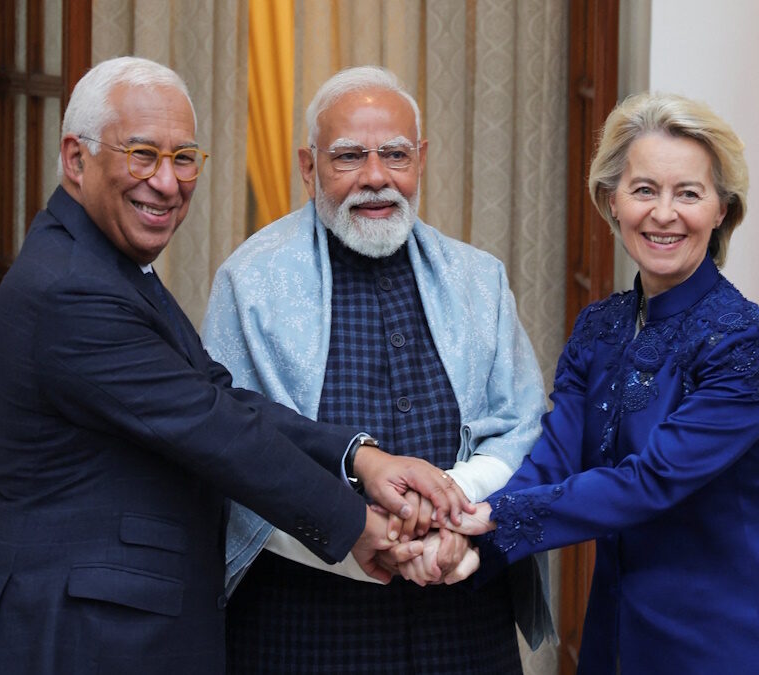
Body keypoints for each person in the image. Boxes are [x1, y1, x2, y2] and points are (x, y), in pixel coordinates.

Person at [0, 56, 469, 675]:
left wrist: (361, 457)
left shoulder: (106, 264)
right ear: (75, 158)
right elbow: (214, 430)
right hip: (72, 638)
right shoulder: (71, 289)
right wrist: (356, 524)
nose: (167, 182)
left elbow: (219, 396)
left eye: (184, 157)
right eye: (142, 154)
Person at [202, 66, 554, 674]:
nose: (375, 178)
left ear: (420, 159)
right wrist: (364, 534)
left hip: (461, 615)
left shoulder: (479, 279)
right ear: (308, 168)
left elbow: (521, 426)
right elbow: (232, 448)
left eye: (394, 155)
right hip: (303, 622)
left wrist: (453, 512)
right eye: (348, 158)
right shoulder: (251, 281)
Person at [449, 92, 759, 674]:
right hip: (616, 640)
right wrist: (463, 524)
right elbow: (555, 459)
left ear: (721, 209)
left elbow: (651, 481)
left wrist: (490, 523)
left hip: (730, 646)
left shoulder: (747, 341)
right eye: (644, 189)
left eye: (688, 193)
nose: (663, 214)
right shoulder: (600, 328)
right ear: (611, 202)